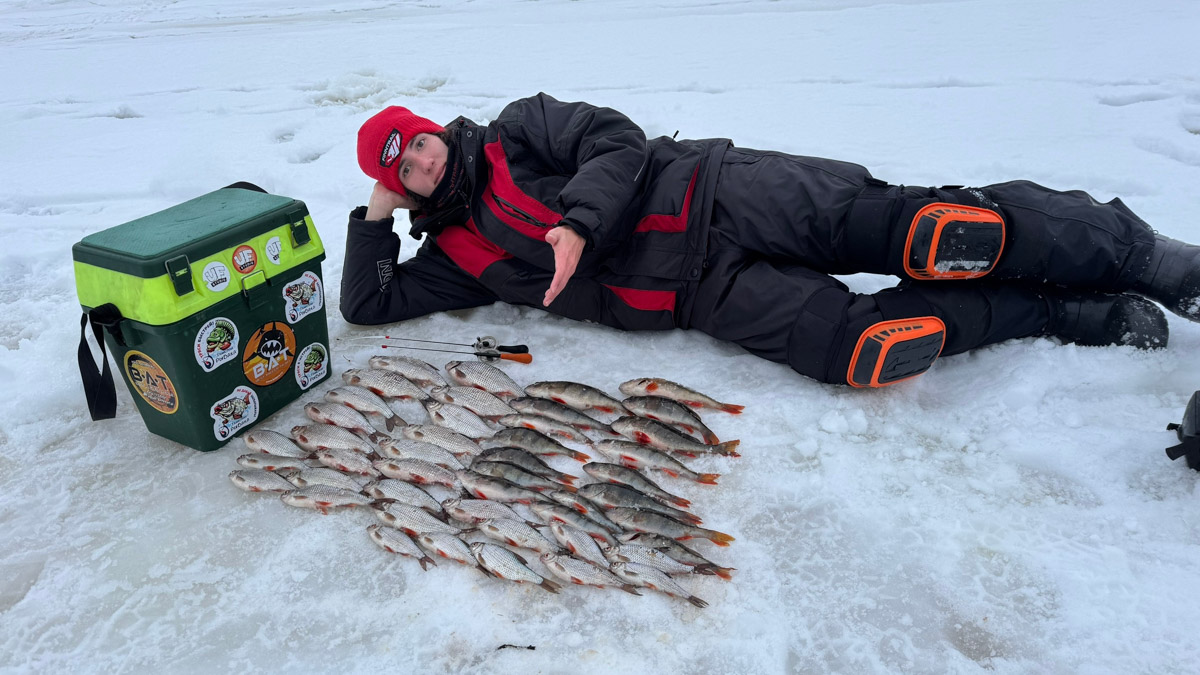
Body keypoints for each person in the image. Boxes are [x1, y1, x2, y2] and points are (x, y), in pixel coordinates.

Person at [339, 92, 1200, 387]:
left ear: (431, 129)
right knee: (862, 350)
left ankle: (1141, 255)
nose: (420, 161)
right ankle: (1053, 314)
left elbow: (615, 139)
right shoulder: (453, 260)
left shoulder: (513, 130)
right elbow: (368, 304)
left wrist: (575, 226)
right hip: (696, 295)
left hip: (720, 191)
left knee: (937, 230)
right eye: (401, 169)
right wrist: (373, 220)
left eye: (416, 142)